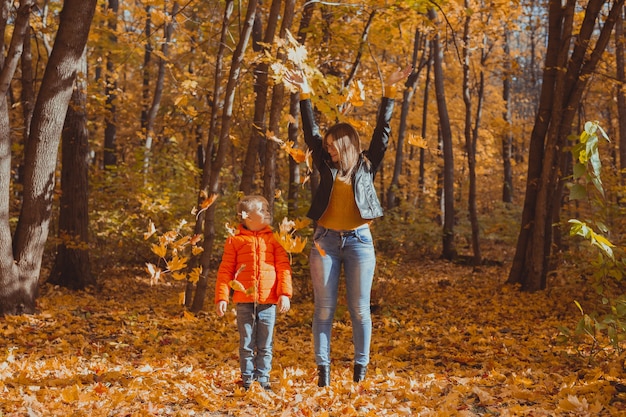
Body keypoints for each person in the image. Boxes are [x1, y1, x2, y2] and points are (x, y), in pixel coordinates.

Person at [284, 65, 412, 387]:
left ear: (345, 144)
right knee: (323, 311)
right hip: (324, 242)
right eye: (325, 146)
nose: (326, 149)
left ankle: (360, 371)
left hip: (359, 242)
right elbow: (310, 130)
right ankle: (323, 373)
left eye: (331, 145)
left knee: (359, 311)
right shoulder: (325, 165)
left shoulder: (367, 165)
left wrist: (391, 92)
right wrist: (304, 90)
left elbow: (382, 132)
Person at [214, 195, 293, 391]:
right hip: (244, 301)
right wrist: (222, 297)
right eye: (262, 210)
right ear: (246, 216)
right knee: (247, 343)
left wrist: (284, 293)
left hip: (268, 301)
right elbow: (225, 270)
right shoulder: (235, 240)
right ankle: (248, 380)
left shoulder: (274, 239)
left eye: (267, 210)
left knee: (265, 343)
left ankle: (263, 379)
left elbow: (283, 267)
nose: (267, 213)